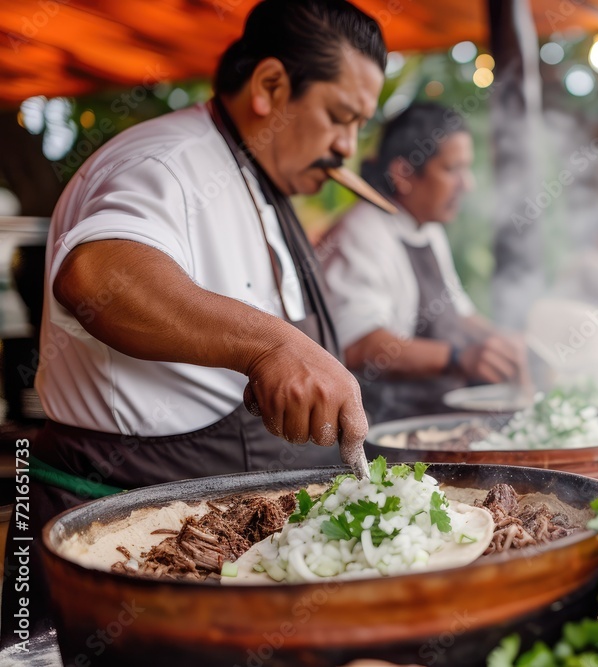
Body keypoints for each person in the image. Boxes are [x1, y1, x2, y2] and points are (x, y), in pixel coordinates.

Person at [3, 0, 385, 642]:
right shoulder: (166, 161)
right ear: (270, 86)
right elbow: (97, 274)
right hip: (121, 557)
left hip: (219, 554)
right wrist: (271, 348)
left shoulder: (257, 178)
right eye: (340, 117)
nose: (347, 146)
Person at [318, 102, 526, 423]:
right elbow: (358, 344)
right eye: (452, 169)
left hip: (436, 414)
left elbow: (459, 313)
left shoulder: (427, 228)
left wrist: (507, 343)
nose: (468, 183)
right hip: (384, 423)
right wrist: (458, 358)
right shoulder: (362, 232)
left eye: (467, 168)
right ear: (403, 173)